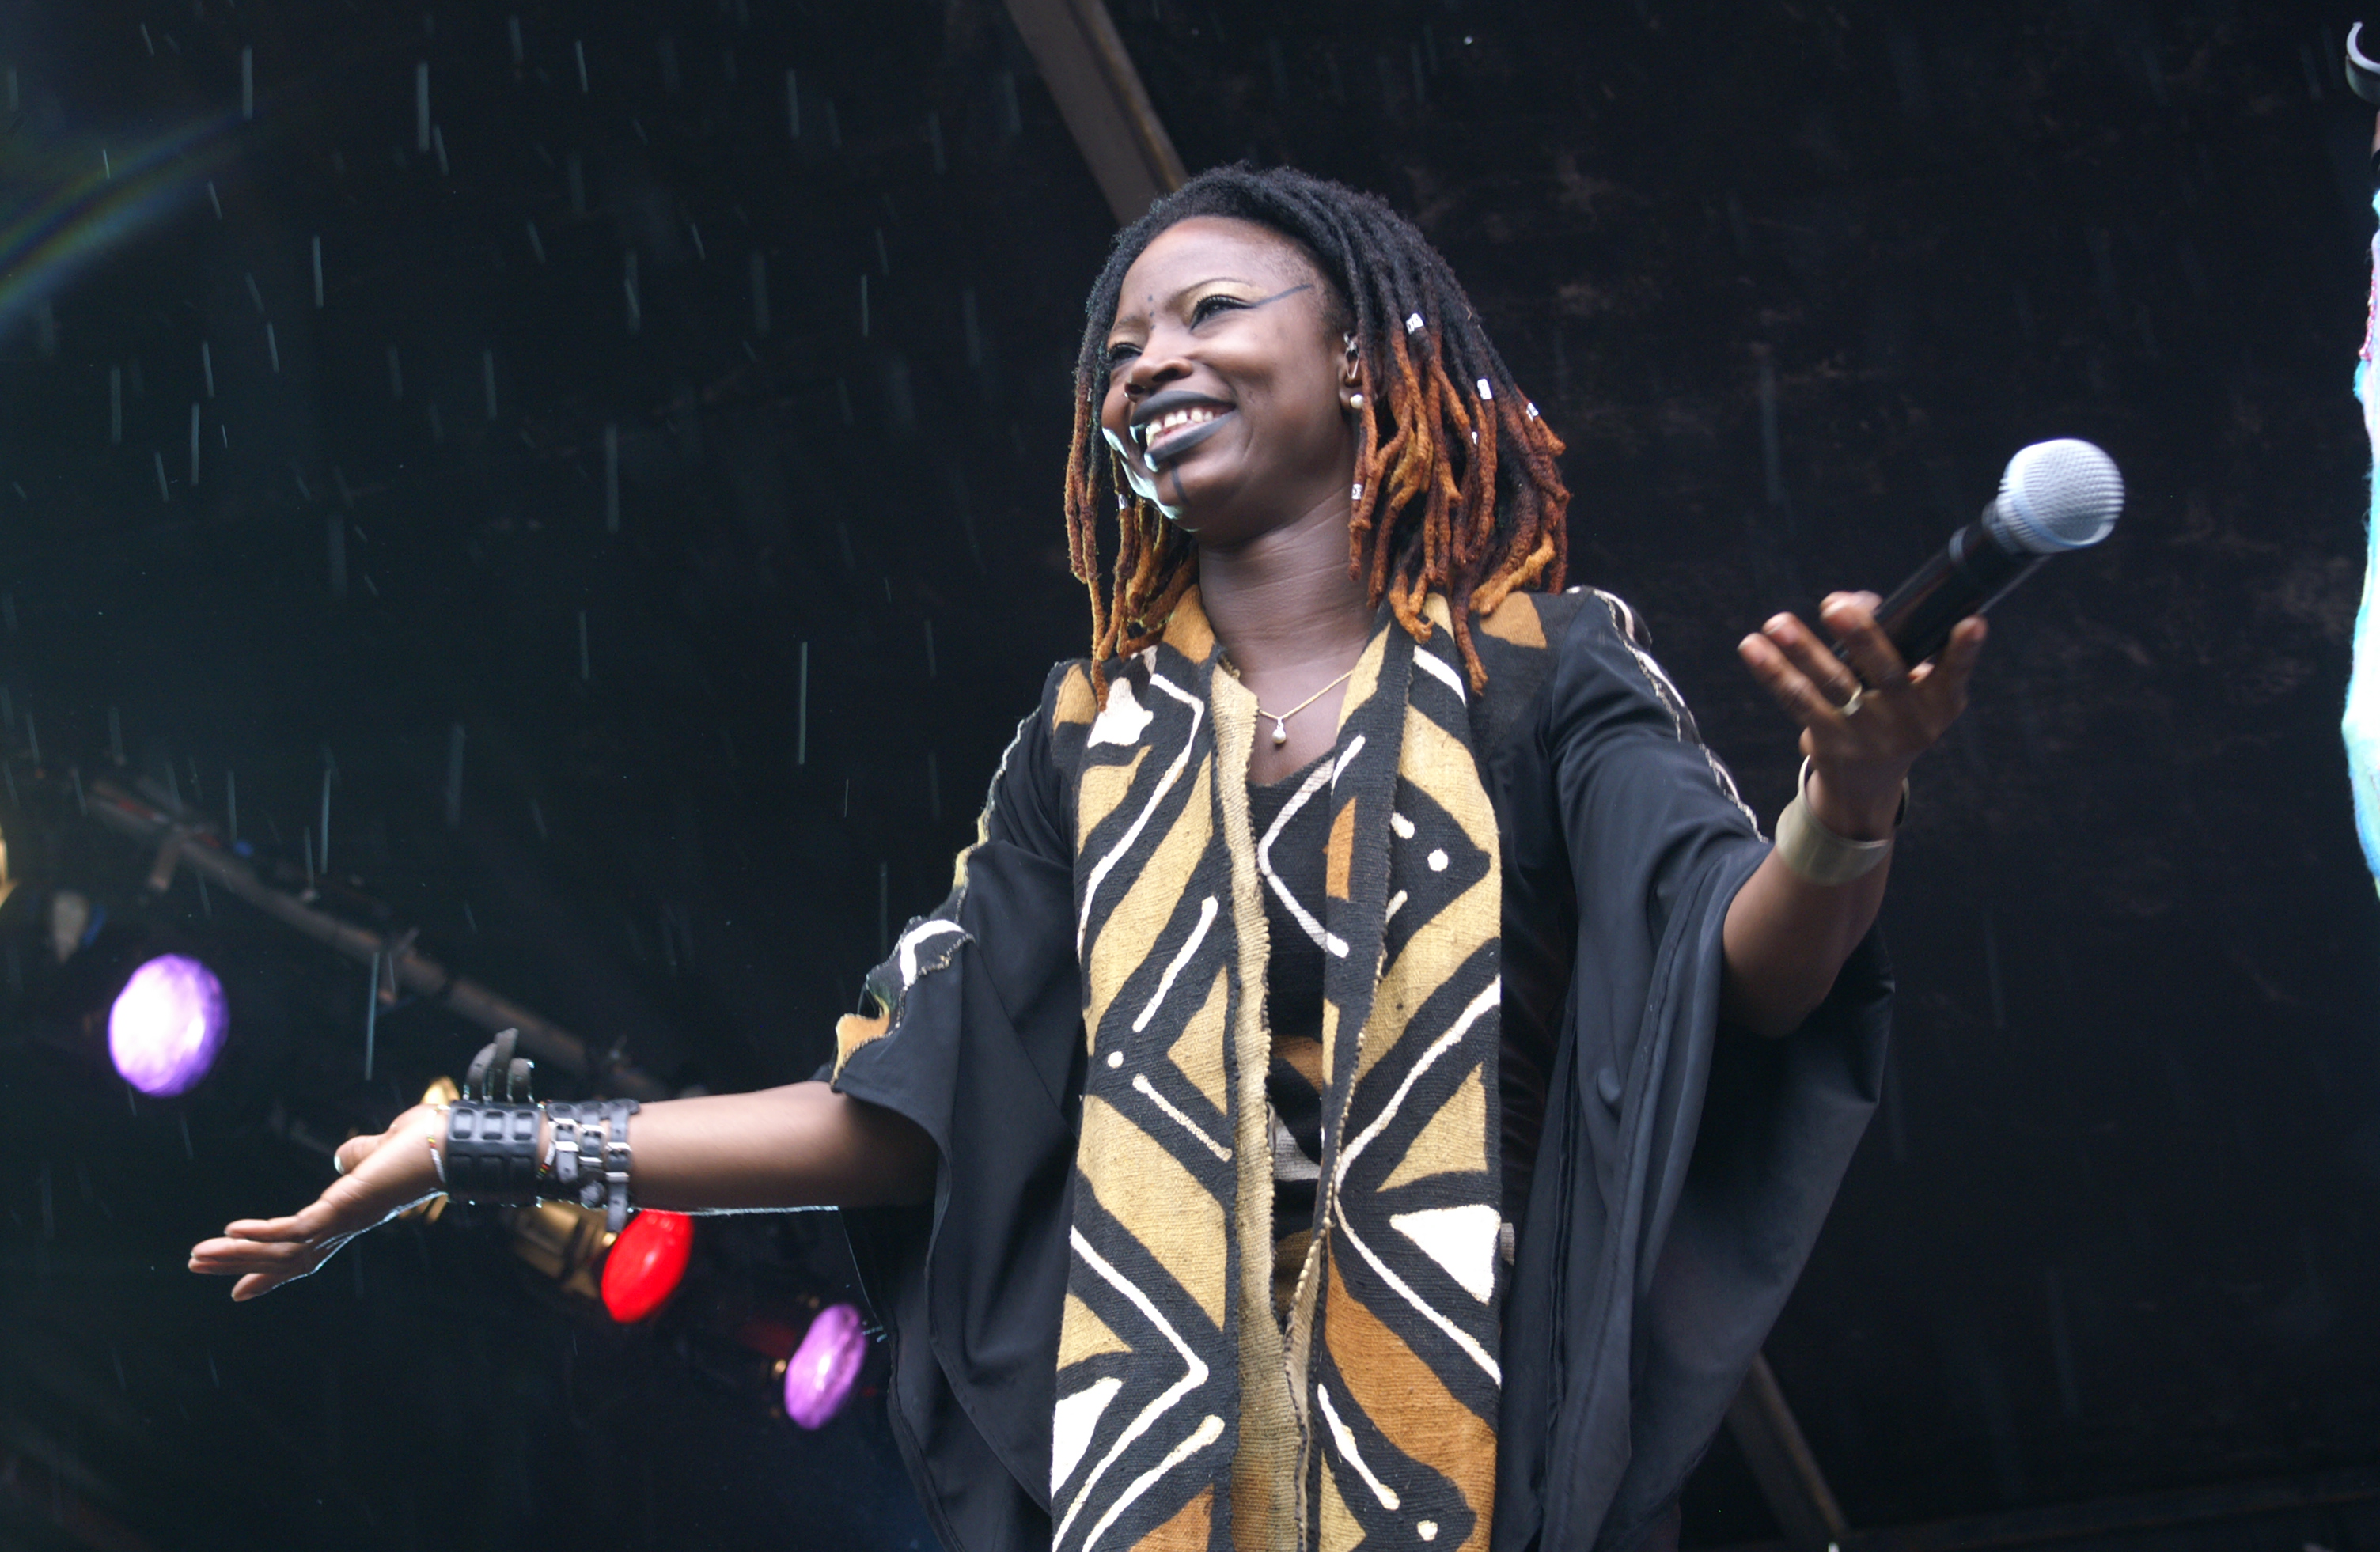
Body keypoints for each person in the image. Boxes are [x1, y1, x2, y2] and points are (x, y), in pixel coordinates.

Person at [191, 165, 1983, 1552]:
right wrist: (475, 1150)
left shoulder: (1544, 669)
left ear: (1361, 357)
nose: (1150, 363)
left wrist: (1848, 799)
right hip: (1152, 1467)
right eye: (1122, 350)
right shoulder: (1080, 754)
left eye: (1210, 311)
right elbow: (895, 1114)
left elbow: (1741, 978)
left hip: (1474, 1448)